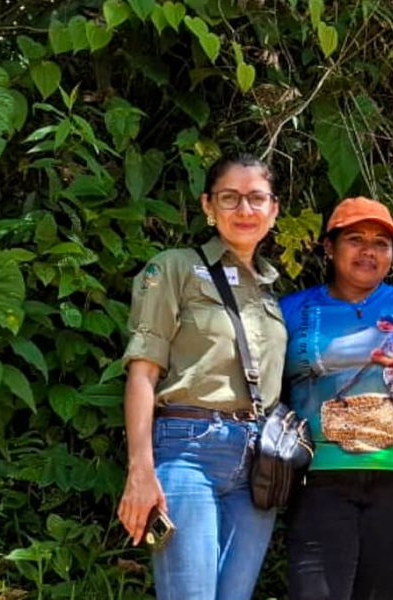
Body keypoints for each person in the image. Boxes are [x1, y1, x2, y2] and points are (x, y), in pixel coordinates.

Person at [116, 153, 285, 599]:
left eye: (256, 198)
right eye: (230, 198)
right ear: (208, 206)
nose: (244, 210)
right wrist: (140, 470)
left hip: (257, 467)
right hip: (188, 451)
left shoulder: (270, 288)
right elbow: (142, 371)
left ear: (274, 209)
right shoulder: (174, 267)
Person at [279, 197, 393, 599]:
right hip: (318, 482)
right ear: (329, 247)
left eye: (381, 243)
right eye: (355, 239)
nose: (369, 251)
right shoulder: (291, 310)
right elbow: (266, 392)